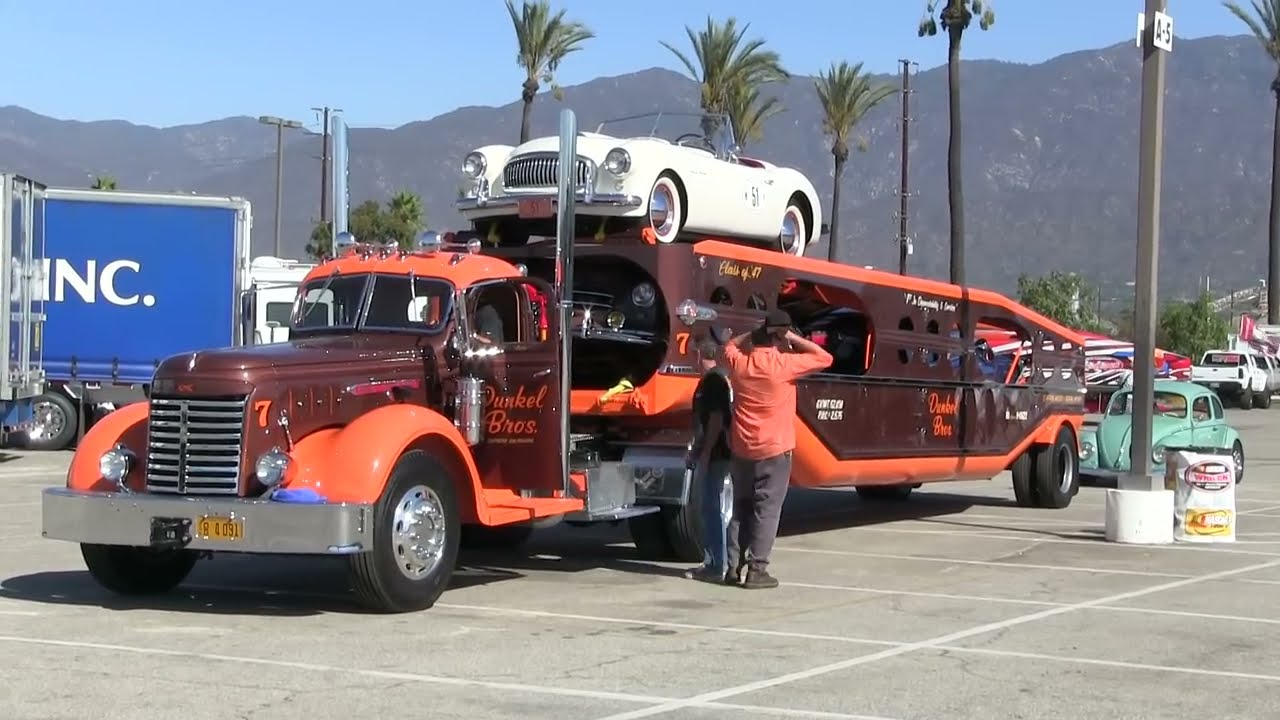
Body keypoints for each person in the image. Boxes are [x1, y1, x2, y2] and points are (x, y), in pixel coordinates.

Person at [720, 308, 833, 589]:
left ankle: (733, 567)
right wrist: (791, 336)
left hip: (742, 447)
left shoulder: (740, 363)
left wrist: (757, 330)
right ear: (778, 339)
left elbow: (729, 345)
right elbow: (825, 357)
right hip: (774, 448)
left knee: (740, 509)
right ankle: (757, 570)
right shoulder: (784, 365)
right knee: (766, 510)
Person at [682, 333, 735, 584]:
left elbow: (715, 420)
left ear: (700, 353)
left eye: (693, 351)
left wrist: (705, 452)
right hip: (713, 451)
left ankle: (716, 564)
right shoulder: (714, 380)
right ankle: (716, 561)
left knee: (711, 508)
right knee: (709, 507)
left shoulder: (714, 381)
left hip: (717, 454)